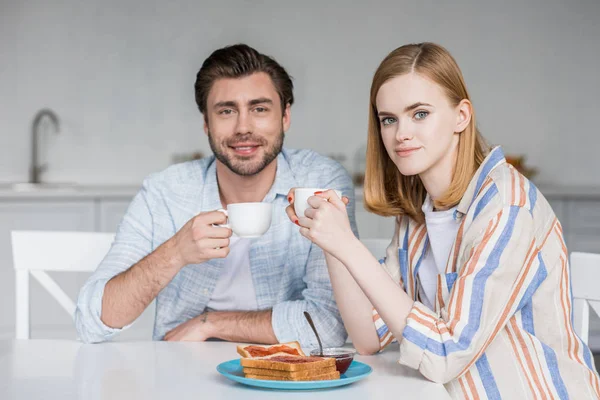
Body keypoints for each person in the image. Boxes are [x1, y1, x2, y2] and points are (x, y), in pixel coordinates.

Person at [287, 42, 600, 398]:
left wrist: (349, 245)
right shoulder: (419, 212)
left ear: (461, 116)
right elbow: (368, 337)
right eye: (388, 119)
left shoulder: (507, 206)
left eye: (419, 113)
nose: (400, 133)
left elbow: (445, 353)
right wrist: (332, 243)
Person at [74, 43, 357, 348]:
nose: (243, 127)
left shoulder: (319, 183)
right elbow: (93, 322)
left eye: (259, 109)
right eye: (226, 111)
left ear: (285, 116)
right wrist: (175, 252)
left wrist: (209, 324)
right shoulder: (166, 192)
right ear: (206, 123)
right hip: (181, 375)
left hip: (286, 379)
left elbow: (330, 324)